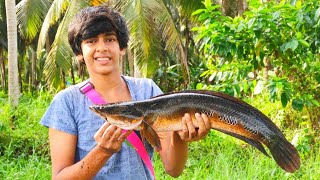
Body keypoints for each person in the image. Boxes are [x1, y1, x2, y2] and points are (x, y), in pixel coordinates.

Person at [40, 5, 211, 180]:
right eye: (91, 41)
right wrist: (103, 151)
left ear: (122, 47)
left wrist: (181, 136)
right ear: (79, 53)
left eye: (110, 39)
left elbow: (173, 169)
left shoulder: (147, 90)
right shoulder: (67, 102)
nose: (102, 48)